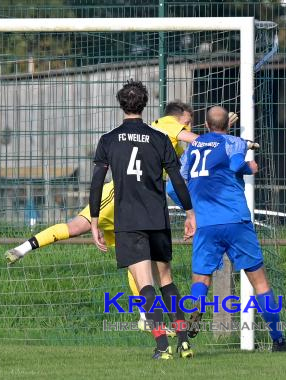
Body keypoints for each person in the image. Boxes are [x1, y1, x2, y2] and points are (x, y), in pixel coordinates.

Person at [3, 101, 199, 338]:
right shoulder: (166, 127)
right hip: (119, 197)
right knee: (77, 227)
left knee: (138, 259)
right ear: (177, 119)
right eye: (188, 122)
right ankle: (23, 248)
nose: (189, 127)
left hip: (137, 202)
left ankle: (145, 317)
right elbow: (196, 140)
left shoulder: (161, 138)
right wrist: (223, 140)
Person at [90, 79, 196, 360]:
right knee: (167, 281)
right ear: (145, 104)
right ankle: (184, 341)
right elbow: (177, 179)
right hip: (157, 217)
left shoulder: (109, 139)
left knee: (144, 284)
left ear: (121, 104)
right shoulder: (159, 137)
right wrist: (190, 213)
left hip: (129, 220)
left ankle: (162, 346)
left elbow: (97, 182)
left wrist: (94, 221)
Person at [176, 105, 286, 352]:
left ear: (205, 126)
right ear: (228, 125)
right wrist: (251, 167)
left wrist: (192, 212)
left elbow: (171, 187)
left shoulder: (192, 149)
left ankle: (197, 305)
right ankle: (278, 340)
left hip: (206, 224)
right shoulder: (234, 142)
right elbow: (236, 166)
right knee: (260, 283)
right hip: (236, 220)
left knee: (201, 277)